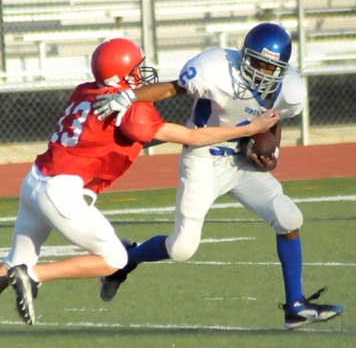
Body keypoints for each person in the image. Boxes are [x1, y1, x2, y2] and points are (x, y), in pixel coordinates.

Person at [0, 38, 278, 326]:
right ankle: (34, 275)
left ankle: (21, 270)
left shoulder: (84, 91)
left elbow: (120, 122)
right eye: (136, 69)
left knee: (10, 263)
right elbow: (193, 137)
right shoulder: (132, 112)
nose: (141, 74)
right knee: (114, 260)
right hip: (61, 190)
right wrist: (250, 128)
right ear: (123, 74)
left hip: (34, 181)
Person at [93, 23, 344, 329]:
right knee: (182, 248)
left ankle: (295, 306)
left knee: (289, 218)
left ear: (283, 68)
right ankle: (125, 260)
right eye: (257, 62)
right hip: (203, 158)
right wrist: (130, 97)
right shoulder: (216, 67)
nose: (263, 72)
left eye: (270, 66)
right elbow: (173, 88)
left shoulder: (290, 89)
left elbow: (273, 119)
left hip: (240, 160)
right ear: (244, 56)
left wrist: (270, 150)